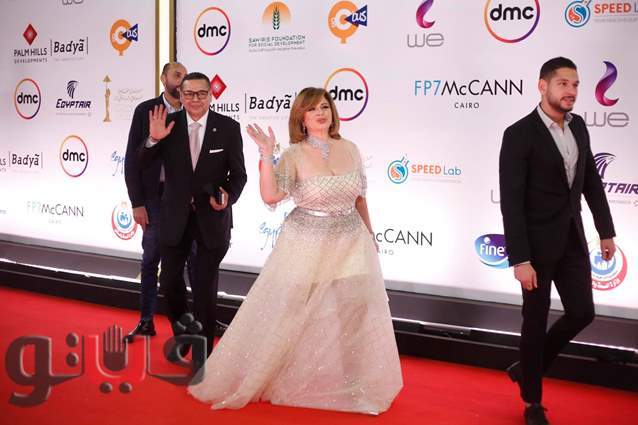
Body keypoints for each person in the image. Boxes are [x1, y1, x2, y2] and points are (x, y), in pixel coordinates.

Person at [188, 87, 403, 414]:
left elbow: (360, 198)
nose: (321, 113)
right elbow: (271, 196)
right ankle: (274, 376)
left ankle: (355, 384)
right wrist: (266, 155)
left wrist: (370, 236)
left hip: (351, 240)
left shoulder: (350, 148)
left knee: (354, 312)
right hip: (307, 242)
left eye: (325, 107)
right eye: (313, 109)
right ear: (301, 117)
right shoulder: (293, 155)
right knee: (293, 312)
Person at [499, 57, 616, 425]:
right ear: (543, 86)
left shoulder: (578, 126)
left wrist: (606, 230)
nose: (571, 91)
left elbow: (591, 181)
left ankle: (527, 367)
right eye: (563, 83)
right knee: (534, 321)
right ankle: (532, 402)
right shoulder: (518, 134)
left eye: (575, 84)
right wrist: (520, 259)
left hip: (572, 240)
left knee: (583, 312)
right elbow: (511, 202)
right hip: (534, 248)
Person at [140, 72, 247, 359]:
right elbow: (143, 162)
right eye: (189, 94)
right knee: (168, 282)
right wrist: (153, 139)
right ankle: (184, 332)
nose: (195, 99)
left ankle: (203, 357)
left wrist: (226, 196)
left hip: (212, 220)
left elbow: (238, 175)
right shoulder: (168, 125)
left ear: (211, 95)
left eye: (201, 93)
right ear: (181, 96)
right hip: (174, 218)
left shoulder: (228, 128)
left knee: (204, 288)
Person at [124, 62, 197, 342]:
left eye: (185, 76)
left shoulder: (194, 112)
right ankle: (146, 320)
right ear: (163, 78)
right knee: (151, 259)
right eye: (177, 75)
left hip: (187, 199)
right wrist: (137, 202)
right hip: (154, 198)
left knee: (193, 261)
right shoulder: (145, 111)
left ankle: (197, 321)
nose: (181, 80)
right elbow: (133, 160)